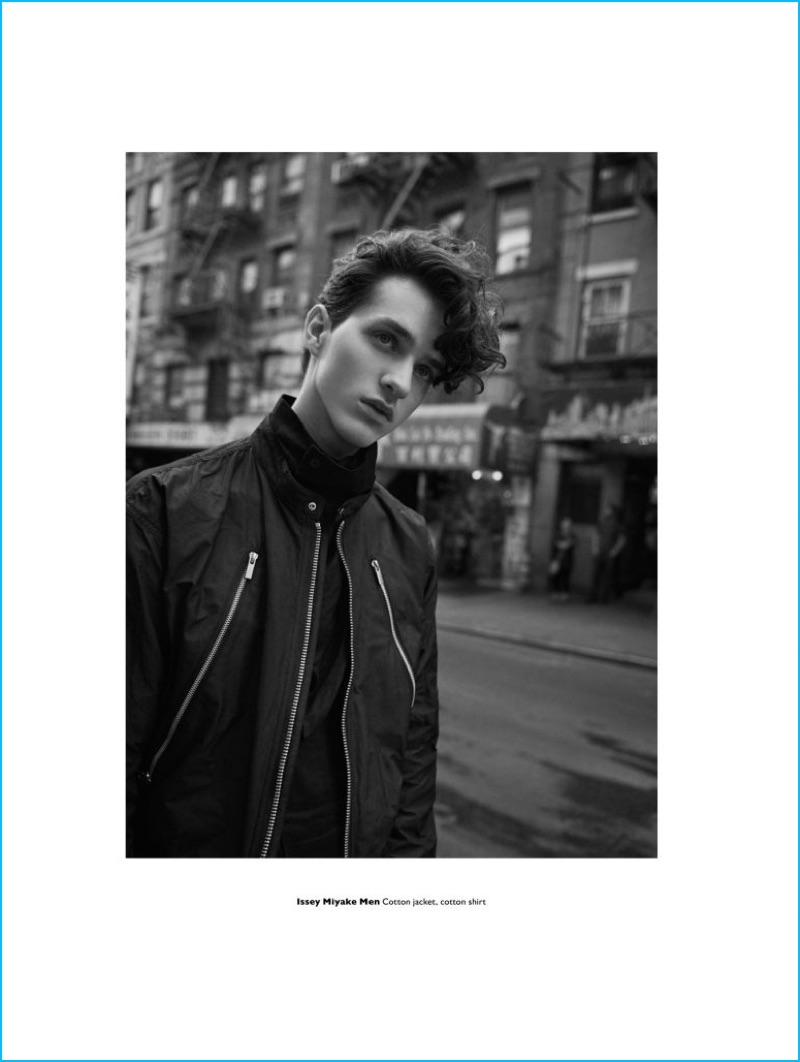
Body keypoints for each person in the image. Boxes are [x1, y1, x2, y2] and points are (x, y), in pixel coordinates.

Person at [126, 229, 503, 858]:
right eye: (387, 339)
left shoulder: (409, 544)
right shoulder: (162, 511)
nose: (399, 382)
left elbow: (411, 758)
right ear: (318, 328)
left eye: (425, 370)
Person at [588, 504, 627, 603]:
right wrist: (595, 548)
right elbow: (595, 535)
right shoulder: (602, 522)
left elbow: (622, 539)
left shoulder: (617, 524)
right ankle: (593, 596)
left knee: (607, 577)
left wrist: (614, 551)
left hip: (608, 554)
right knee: (596, 576)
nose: (605, 511)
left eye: (607, 509)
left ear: (612, 511)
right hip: (600, 552)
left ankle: (603, 598)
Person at [547, 516, 576, 600]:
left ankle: (564, 593)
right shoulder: (558, 535)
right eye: (564, 526)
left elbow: (567, 545)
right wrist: (564, 544)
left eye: (568, 526)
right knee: (556, 577)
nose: (566, 528)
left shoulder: (572, 536)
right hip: (557, 560)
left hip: (567, 561)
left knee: (565, 577)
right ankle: (555, 592)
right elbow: (558, 544)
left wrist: (563, 544)